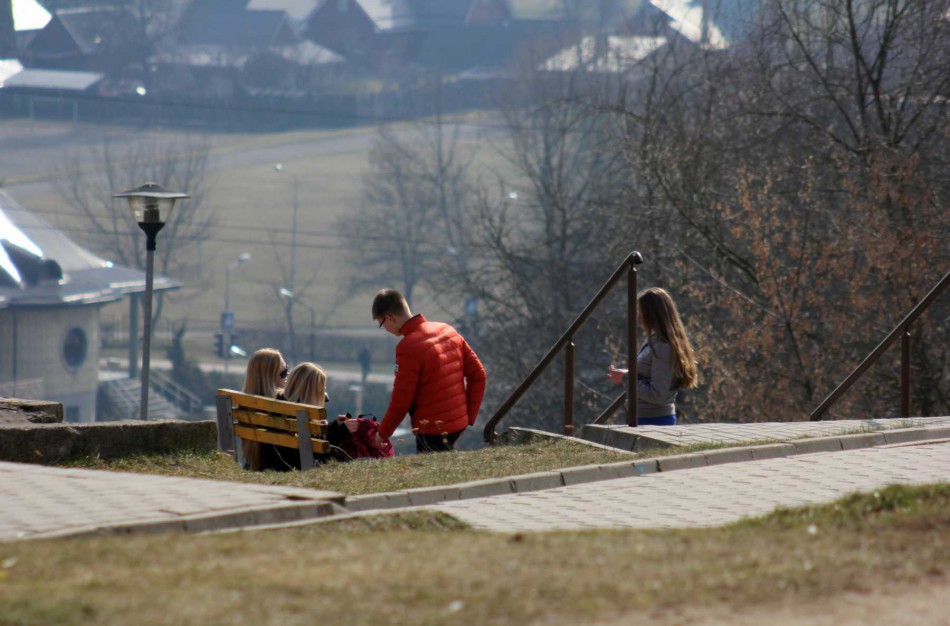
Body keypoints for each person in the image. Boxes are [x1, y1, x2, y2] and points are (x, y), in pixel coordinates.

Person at [372, 288, 487, 453]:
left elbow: (401, 401)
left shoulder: (407, 348)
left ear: (390, 317)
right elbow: (479, 375)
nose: (385, 329)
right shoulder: (447, 330)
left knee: (433, 477)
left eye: (382, 324)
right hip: (458, 424)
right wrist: (468, 416)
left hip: (432, 429)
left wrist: (382, 434)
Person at [607, 287, 698, 425]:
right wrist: (629, 373)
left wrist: (626, 378)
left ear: (651, 314)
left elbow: (657, 395)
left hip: (654, 421)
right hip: (644, 417)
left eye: (641, 311)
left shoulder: (662, 347)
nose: (638, 316)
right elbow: (650, 375)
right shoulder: (654, 341)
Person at [241, 348, 288, 470]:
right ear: (270, 376)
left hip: (252, 465)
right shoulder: (282, 403)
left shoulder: (244, 404)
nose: (287, 377)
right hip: (281, 466)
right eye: (283, 373)